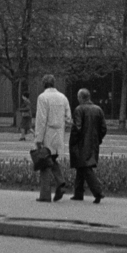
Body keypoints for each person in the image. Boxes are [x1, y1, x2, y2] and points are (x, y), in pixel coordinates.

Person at [34, 74, 71, 202]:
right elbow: (68, 118)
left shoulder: (43, 98)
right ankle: (60, 182)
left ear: (44, 84)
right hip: (59, 135)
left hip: (47, 135)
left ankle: (45, 195)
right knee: (53, 159)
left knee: (44, 164)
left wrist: (38, 139)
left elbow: (41, 119)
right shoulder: (63, 97)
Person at [68, 88, 108, 203]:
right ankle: (78, 193)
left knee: (85, 167)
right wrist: (98, 139)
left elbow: (77, 128)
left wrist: (73, 142)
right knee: (81, 167)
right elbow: (104, 128)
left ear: (81, 98)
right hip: (93, 142)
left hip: (81, 143)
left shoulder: (79, 109)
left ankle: (98, 191)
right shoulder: (98, 109)